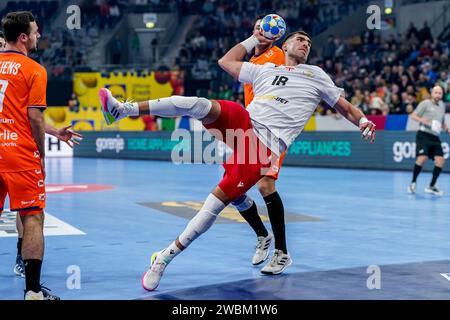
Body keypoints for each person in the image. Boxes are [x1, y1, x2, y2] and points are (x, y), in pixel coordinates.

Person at [99, 30, 376, 291]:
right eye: (300, 40)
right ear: (285, 46)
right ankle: (123, 110)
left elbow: (345, 107)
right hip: (243, 123)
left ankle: (164, 257)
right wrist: (252, 38)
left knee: (216, 203)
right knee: (197, 104)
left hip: (264, 147)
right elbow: (226, 61)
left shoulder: (316, 74)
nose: (305, 44)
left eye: (309, 43)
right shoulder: (267, 70)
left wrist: (363, 120)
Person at [0, 11, 81, 300]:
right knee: (33, 216)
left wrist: (56, 131)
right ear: (23, 37)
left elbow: (16, 111)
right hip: (19, 155)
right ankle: (33, 292)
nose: (38, 36)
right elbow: (33, 117)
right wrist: (41, 155)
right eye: (35, 32)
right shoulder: (34, 70)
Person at [236, 16, 290, 273]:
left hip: (273, 129)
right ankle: (262, 234)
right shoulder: (251, 62)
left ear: (275, 34)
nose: (262, 31)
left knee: (266, 184)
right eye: (258, 27)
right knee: (235, 190)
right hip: (249, 128)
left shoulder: (277, 55)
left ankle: (282, 253)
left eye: (266, 28)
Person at [408, 86, 449, 196]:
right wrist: (424, 121)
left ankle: (431, 186)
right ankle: (413, 183)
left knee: (440, 160)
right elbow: (413, 115)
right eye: (436, 92)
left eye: (440, 93)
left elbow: (442, 122)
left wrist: (447, 128)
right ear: (432, 93)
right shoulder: (425, 103)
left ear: (442, 95)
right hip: (423, 134)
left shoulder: (442, 106)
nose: (438, 95)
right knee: (422, 157)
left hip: (435, 136)